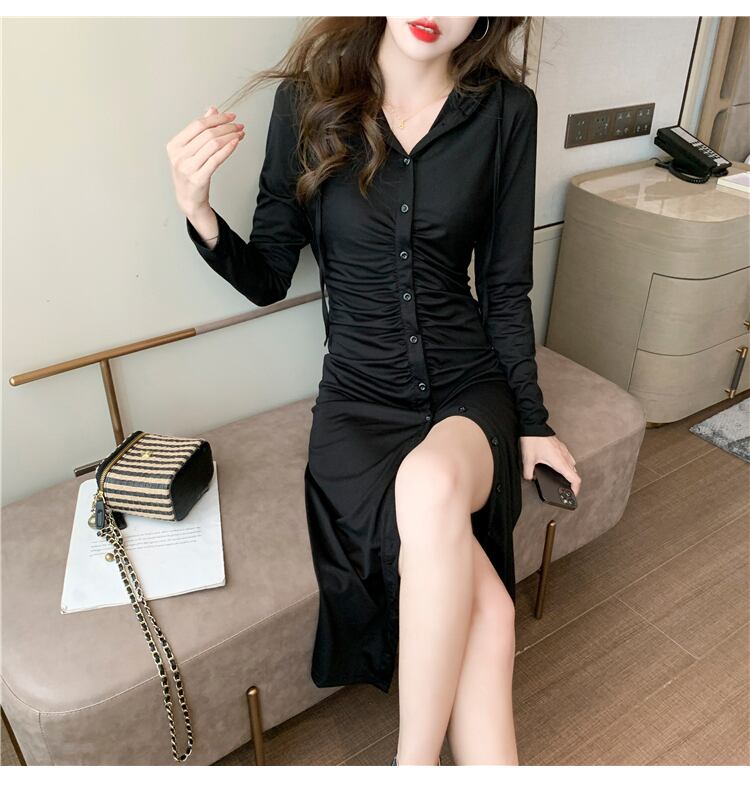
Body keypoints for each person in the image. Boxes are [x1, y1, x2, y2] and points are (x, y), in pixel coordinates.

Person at [166, 16, 581, 766]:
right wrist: (197, 209)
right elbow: (268, 275)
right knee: (489, 617)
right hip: (357, 406)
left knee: (431, 483)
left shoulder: (506, 112)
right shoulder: (307, 102)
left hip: (467, 389)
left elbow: (504, 288)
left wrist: (532, 420)